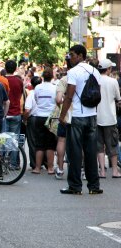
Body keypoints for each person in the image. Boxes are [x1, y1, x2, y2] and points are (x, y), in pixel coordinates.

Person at [59, 44, 103, 195]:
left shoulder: (73, 72)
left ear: (80, 55)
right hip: (92, 115)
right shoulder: (95, 71)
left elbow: (69, 96)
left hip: (77, 116)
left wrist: (62, 114)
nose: (69, 58)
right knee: (91, 151)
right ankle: (94, 186)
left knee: (75, 152)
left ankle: (75, 186)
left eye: (72, 55)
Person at [96, 58, 121, 178]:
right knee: (112, 145)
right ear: (108, 69)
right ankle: (115, 171)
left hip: (96, 117)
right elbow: (118, 98)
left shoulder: (95, 80)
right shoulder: (113, 82)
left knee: (99, 146)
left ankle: (102, 171)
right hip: (110, 117)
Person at [31, 68, 57, 175]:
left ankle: (37, 167)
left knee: (39, 143)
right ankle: (50, 168)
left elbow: (36, 99)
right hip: (51, 117)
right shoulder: (54, 88)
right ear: (52, 77)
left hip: (39, 116)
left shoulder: (37, 87)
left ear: (42, 77)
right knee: (50, 143)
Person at [23, 76, 42, 170]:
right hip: (43, 117)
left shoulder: (31, 94)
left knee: (32, 141)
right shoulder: (44, 92)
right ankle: (44, 162)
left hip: (33, 118)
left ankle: (35, 163)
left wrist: (24, 119)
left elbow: (27, 110)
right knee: (43, 140)